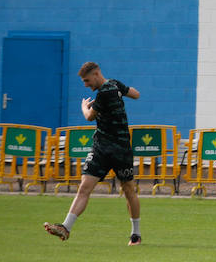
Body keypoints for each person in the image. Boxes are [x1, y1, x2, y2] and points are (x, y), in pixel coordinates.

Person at [44, 62, 144, 245]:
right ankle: (65, 227)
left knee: (128, 189)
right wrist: (122, 91)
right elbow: (136, 94)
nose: (85, 85)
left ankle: (135, 235)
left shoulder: (105, 92)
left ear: (97, 74)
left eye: (87, 80)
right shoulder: (114, 85)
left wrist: (83, 106)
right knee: (85, 187)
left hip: (120, 148)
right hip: (101, 148)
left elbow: (89, 116)